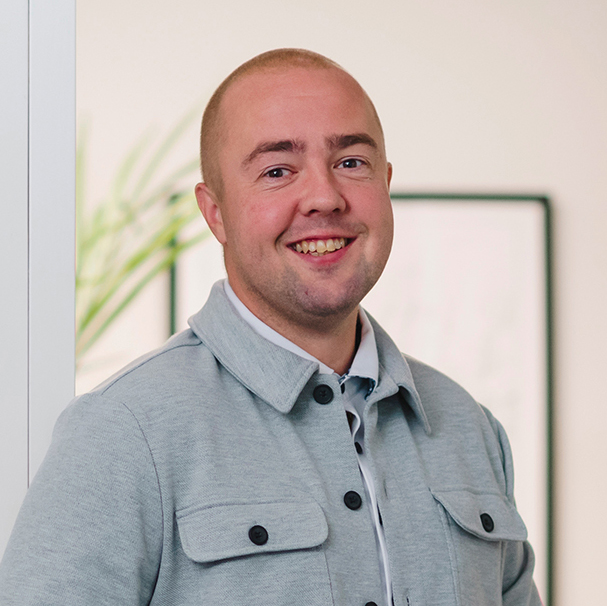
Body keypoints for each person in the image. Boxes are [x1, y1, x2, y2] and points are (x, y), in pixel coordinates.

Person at [0, 48, 541, 606]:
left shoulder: (470, 429)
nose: (325, 197)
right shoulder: (122, 433)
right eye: (277, 171)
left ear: (385, 183)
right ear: (215, 213)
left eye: (351, 162)